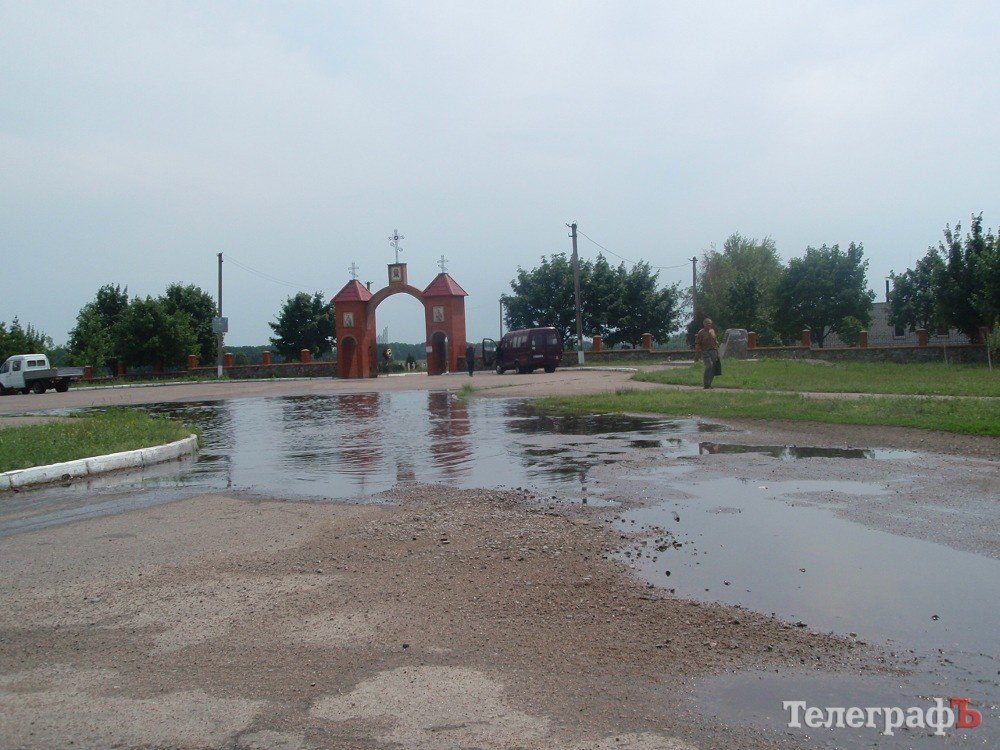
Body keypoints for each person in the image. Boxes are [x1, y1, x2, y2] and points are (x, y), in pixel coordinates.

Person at [694, 317, 719, 389]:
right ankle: (705, 384)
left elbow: (715, 341)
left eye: (710, 324)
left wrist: (717, 352)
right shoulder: (701, 332)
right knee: (709, 366)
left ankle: (709, 384)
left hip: (713, 351)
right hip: (705, 351)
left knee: (713, 368)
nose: (709, 325)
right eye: (708, 324)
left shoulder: (712, 331)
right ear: (704, 324)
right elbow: (698, 344)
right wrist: (696, 355)